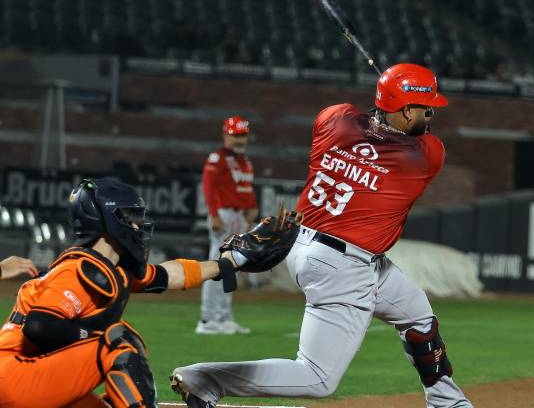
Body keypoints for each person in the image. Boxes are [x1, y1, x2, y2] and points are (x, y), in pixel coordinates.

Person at [170, 63, 474, 408]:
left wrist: (387, 109)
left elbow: (355, 118)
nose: (431, 113)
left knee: (417, 313)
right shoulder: (422, 157)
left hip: (312, 245)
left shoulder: (336, 120)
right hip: (341, 265)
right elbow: (419, 139)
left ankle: (447, 402)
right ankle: (205, 379)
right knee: (317, 377)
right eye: (424, 107)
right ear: (405, 110)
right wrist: (389, 118)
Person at [0, 178, 245, 408]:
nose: (138, 224)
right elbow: (39, 326)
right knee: (118, 339)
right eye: (129, 216)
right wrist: (95, 333)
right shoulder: (77, 268)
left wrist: (227, 263)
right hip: (15, 374)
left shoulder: (107, 267)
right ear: (105, 220)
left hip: (25, 375)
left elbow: (169, 274)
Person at [197, 115, 259, 335]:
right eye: (235, 135)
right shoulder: (218, 158)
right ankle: (207, 319)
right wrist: (213, 214)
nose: (239, 139)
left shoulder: (245, 161)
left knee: (232, 268)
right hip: (223, 214)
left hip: (238, 217)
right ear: (225, 135)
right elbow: (208, 187)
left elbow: (246, 189)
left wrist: (252, 208)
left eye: (242, 135)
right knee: (218, 266)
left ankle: (223, 317)